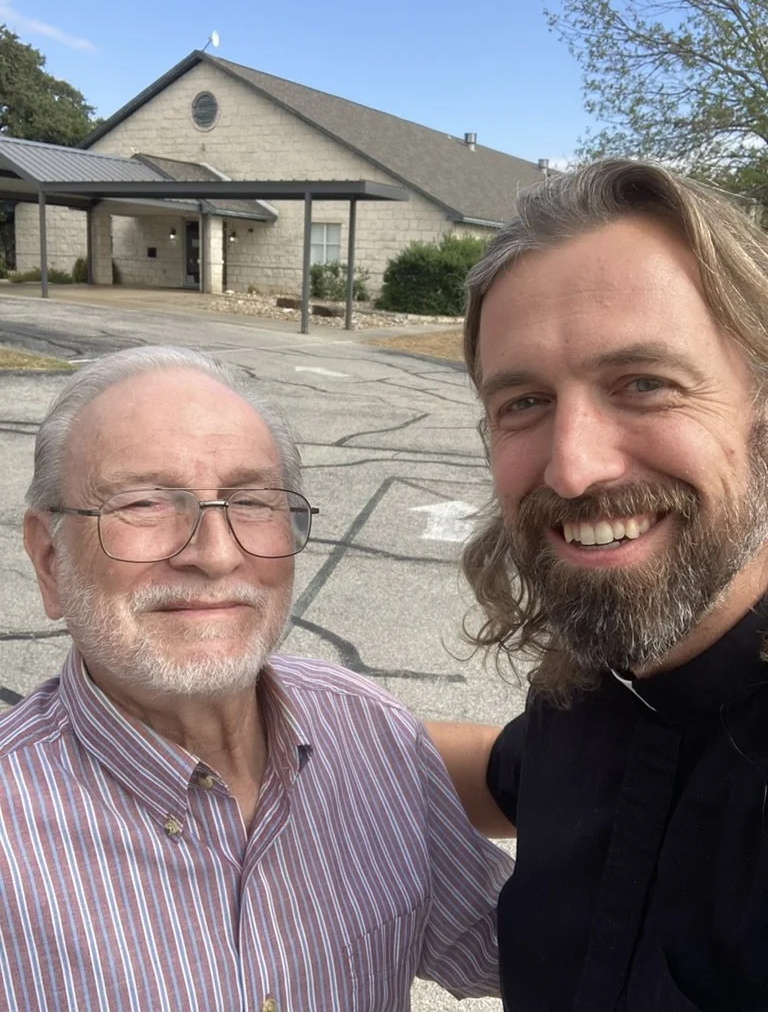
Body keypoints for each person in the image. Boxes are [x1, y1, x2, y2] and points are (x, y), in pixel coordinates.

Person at [6, 345, 510, 1011]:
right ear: (49, 561)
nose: (215, 554)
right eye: (144, 503)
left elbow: (522, 952)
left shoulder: (370, 734)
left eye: (250, 501)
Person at [430, 159, 768, 1010]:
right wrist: (253, 722)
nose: (574, 468)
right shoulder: (598, 684)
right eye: (525, 402)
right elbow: (498, 775)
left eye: (644, 384)